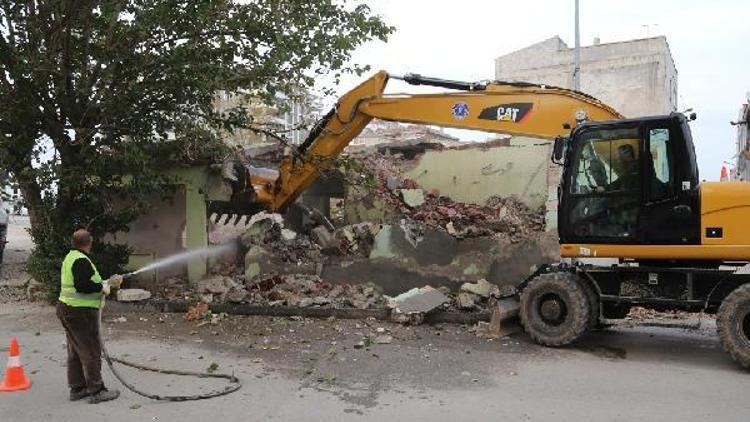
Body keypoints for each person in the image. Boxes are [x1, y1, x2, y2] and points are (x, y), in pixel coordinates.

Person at [56, 228, 123, 404]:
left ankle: (77, 388)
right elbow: (82, 285)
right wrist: (102, 288)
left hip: (69, 310)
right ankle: (97, 390)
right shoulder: (81, 260)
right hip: (78, 312)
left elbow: (84, 282)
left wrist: (105, 282)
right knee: (90, 350)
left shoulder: (71, 257)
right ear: (89, 243)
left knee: (76, 351)